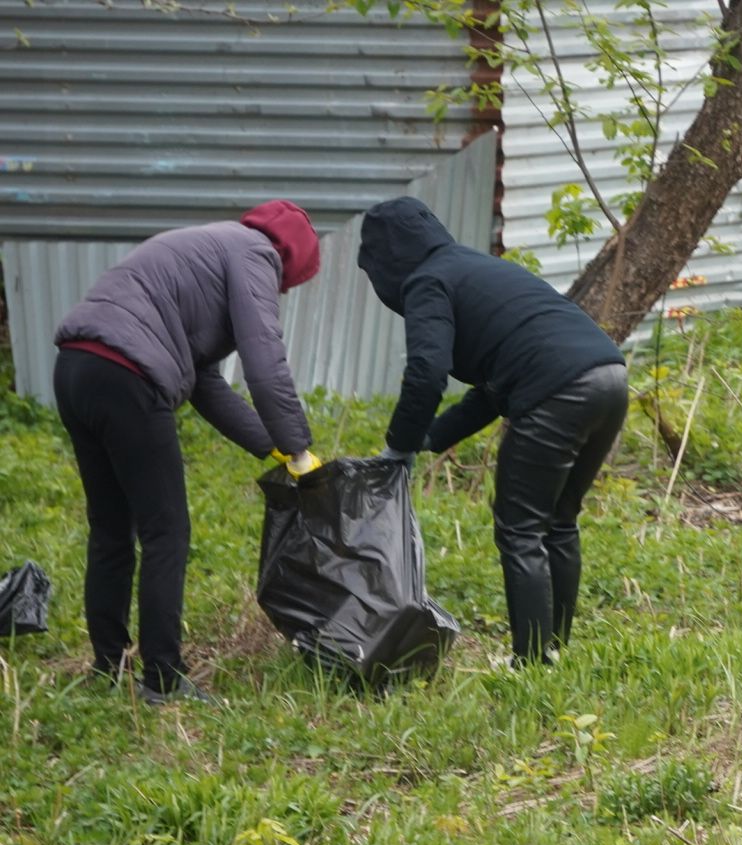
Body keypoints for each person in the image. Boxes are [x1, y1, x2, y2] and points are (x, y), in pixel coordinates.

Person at [53, 199, 324, 705]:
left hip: (76, 370)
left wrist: (271, 447)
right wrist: (300, 448)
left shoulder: (207, 245)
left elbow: (204, 383)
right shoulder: (254, 253)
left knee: (111, 529)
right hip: (127, 375)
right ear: (291, 261)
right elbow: (264, 360)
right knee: (166, 531)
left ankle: (106, 666)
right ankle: (162, 678)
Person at [357, 196, 629, 667]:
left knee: (520, 529)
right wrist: (431, 438)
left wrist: (397, 446)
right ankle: (556, 651)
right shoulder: (477, 268)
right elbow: (492, 389)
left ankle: (531, 664)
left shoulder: (427, 281)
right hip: (610, 377)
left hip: (558, 389)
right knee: (560, 521)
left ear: (385, 261)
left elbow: (426, 371)